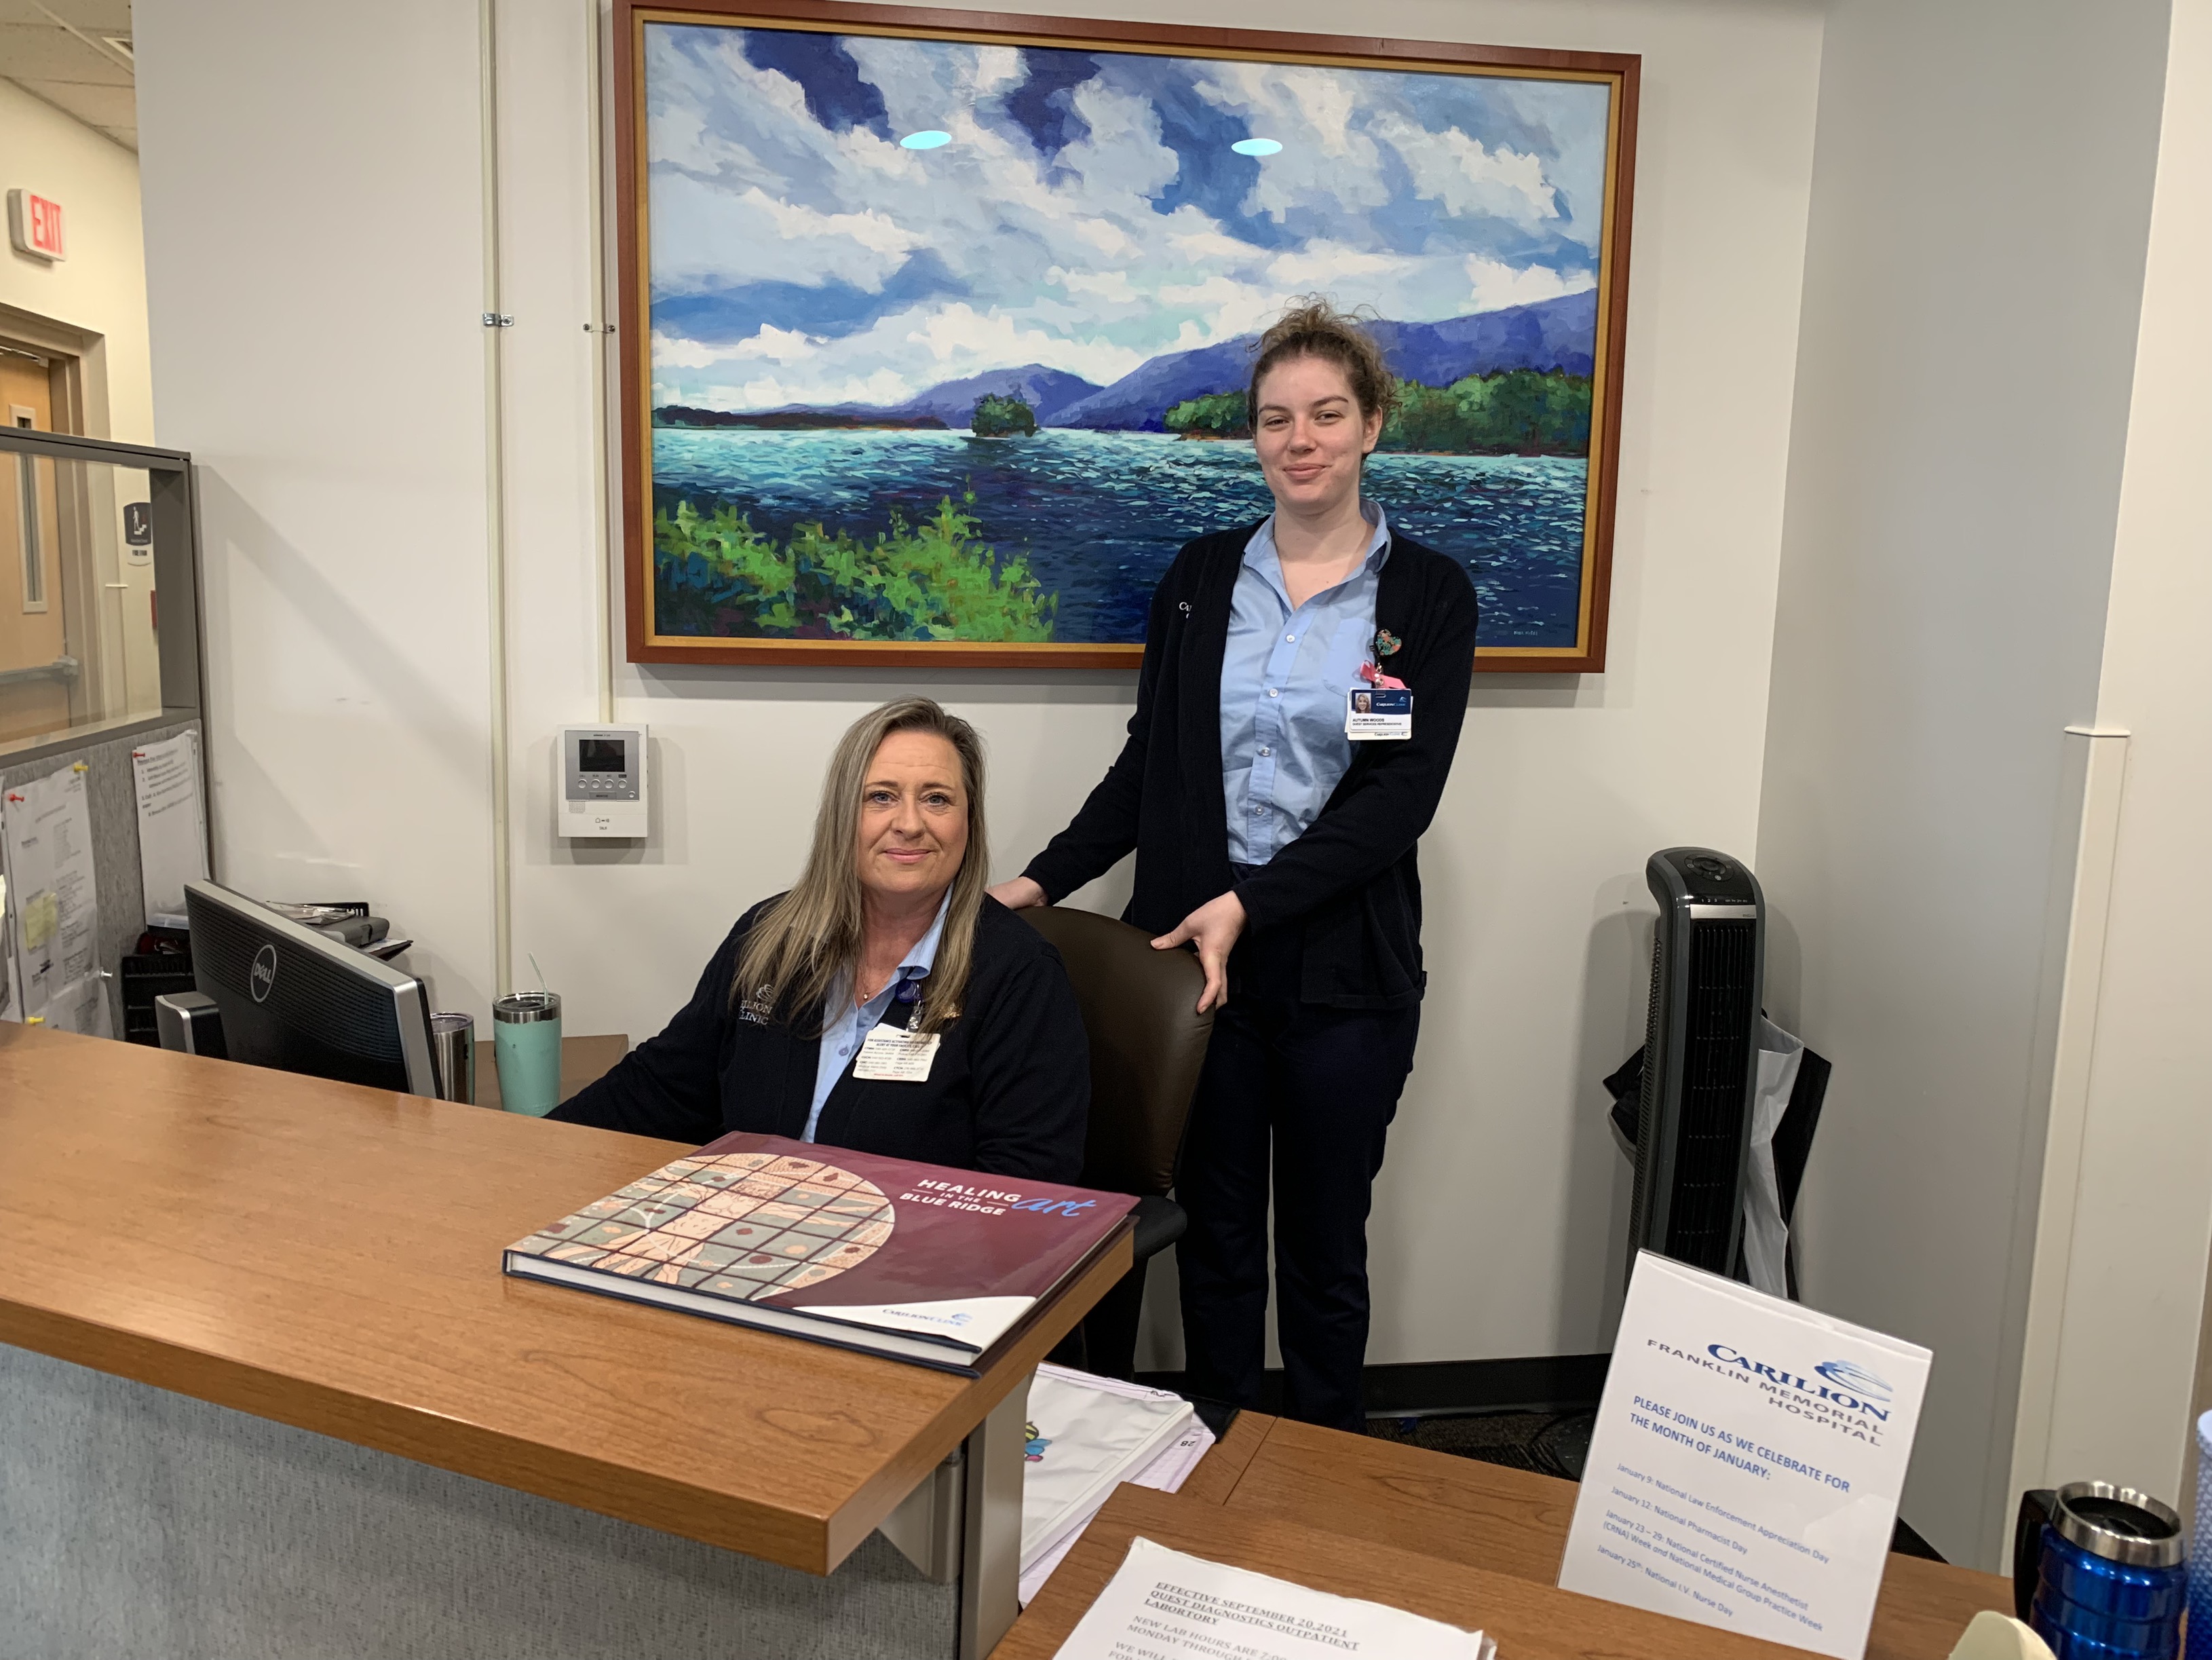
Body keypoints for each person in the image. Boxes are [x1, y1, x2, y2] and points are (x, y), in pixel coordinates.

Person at [990, 299, 1479, 1429]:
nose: (1298, 439)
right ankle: (1210, 1459)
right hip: (1193, 980)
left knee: (1322, 1247)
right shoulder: (1201, 576)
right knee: (1213, 1237)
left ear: (1370, 427)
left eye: (1325, 414)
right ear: (1252, 434)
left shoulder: (1427, 596)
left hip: (1345, 983)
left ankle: (1320, 1475)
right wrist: (1040, 882)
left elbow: (1397, 802)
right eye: (1275, 418)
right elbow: (1144, 767)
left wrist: (1248, 905)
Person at [555, 698, 1088, 1182]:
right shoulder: (770, 937)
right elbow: (662, 1087)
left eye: (937, 799)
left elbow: (1026, 1184)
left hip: (911, 1267)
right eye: (880, 797)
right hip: (745, 1238)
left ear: (967, 821)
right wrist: (523, 1153)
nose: (909, 823)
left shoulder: (1019, 974)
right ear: (841, 816)